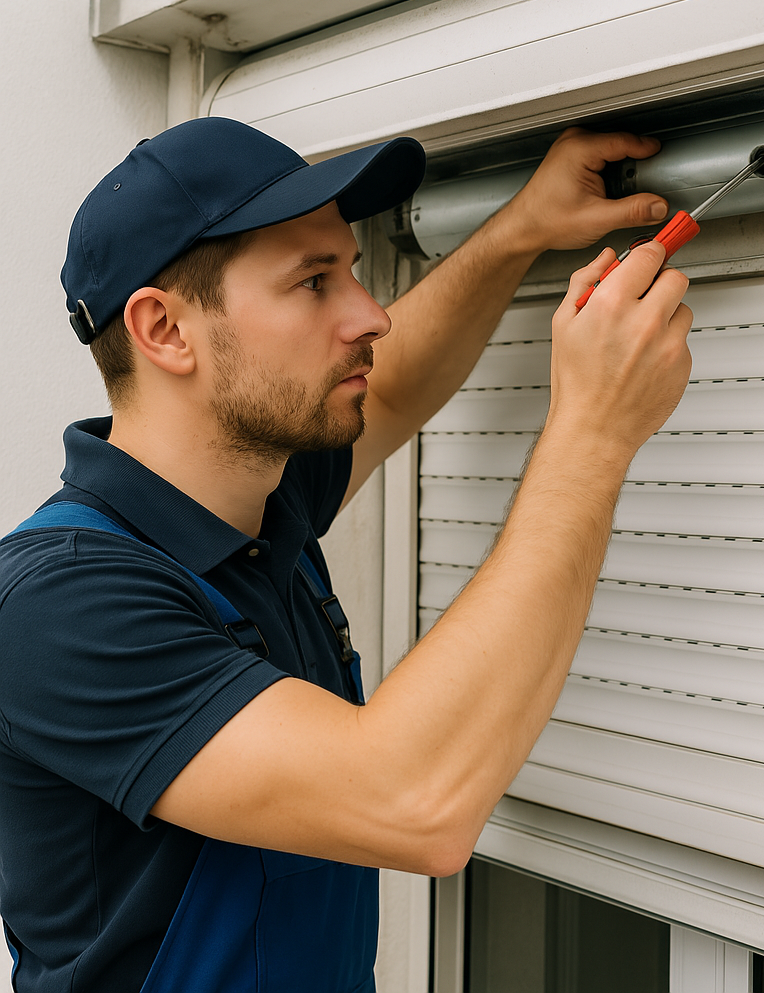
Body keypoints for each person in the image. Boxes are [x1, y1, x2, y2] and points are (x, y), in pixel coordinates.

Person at [0, 116, 692, 993]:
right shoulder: (56, 607)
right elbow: (415, 801)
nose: (369, 315)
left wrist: (522, 227)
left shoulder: (259, 507)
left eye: (353, 269)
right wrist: (594, 430)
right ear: (165, 330)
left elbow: (394, 381)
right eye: (314, 281)